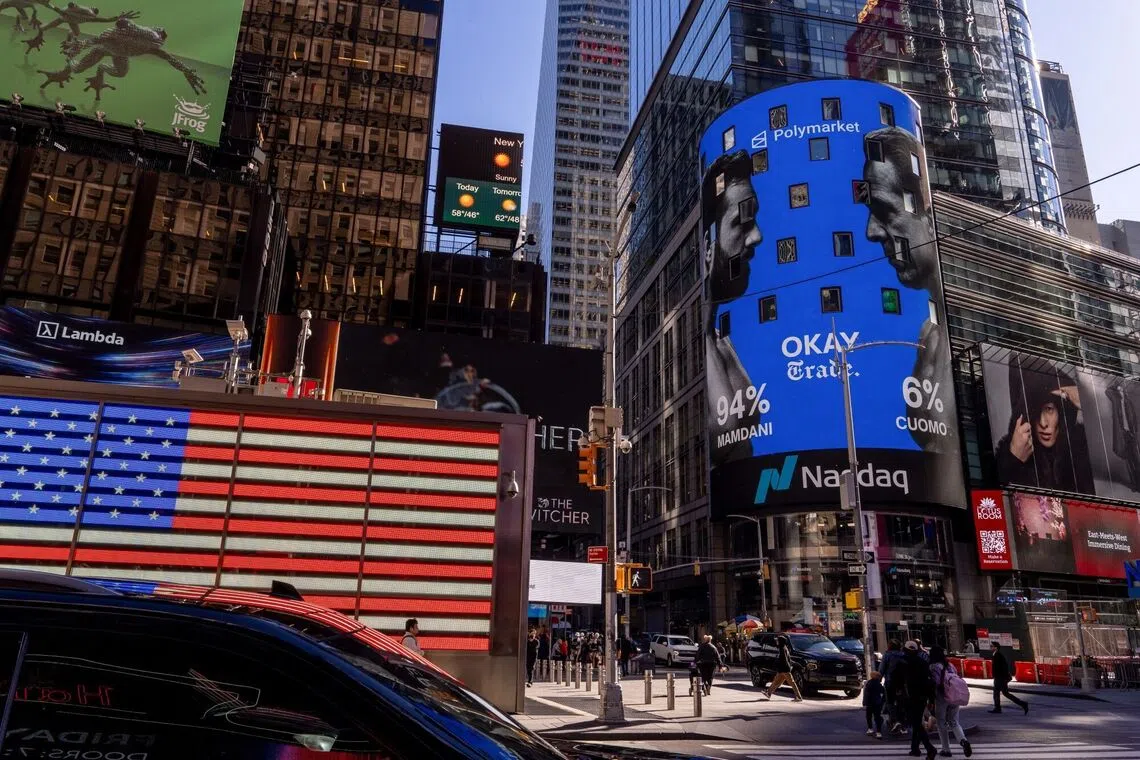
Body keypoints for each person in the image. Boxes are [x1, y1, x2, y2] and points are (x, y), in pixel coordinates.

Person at [862, 126, 958, 457]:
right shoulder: (929, 336)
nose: (871, 232)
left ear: (929, 218)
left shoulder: (971, 327)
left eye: (886, 211)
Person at [701, 150, 763, 466]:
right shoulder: (701, 341)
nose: (757, 237)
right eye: (743, 223)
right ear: (708, 249)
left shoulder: (719, 337)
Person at [996, 354, 1093, 495]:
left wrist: (1083, 401)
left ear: (1061, 411)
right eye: (1035, 411)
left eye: (1049, 409)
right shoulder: (1010, 453)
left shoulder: (1080, 447)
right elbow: (991, 504)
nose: (1042, 423)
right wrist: (1013, 460)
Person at [930, 646, 972, 758]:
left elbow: (936, 683)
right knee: (954, 721)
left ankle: (946, 749)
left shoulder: (933, 667)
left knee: (941, 722)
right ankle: (963, 741)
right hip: (954, 696)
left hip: (941, 697)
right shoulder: (950, 665)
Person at [900, 640, 938, 759]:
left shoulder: (902, 662)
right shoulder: (923, 662)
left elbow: (898, 682)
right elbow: (929, 682)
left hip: (909, 697)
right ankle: (915, 748)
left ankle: (929, 748)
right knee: (916, 722)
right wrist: (931, 699)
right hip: (922, 697)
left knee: (916, 723)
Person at [990, 641, 1029, 715]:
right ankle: (997, 708)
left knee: (1003, 693)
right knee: (998, 693)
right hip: (998, 678)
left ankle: (1023, 704)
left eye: (992, 646)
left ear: (996, 647)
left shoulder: (999, 655)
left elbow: (1004, 667)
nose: (990, 647)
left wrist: (1003, 678)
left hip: (1000, 678)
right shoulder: (995, 655)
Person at [764, 635, 803, 701]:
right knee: (776, 681)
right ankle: (768, 693)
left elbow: (784, 660)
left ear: (780, 641)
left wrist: (780, 667)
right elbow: (788, 659)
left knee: (792, 683)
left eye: (777, 640)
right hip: (783, 669)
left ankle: (799, 697)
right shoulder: (784, 648)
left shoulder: (782, 649)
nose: (776, 641)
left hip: (784, 669)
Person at [880, 639, 907, 734]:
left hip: (890, 681)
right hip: (902, 683)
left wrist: (878, 681)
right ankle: (902, 723)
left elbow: (881, 669)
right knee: (901, 703)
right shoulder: (904, 655)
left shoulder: (887, 655)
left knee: (890, 702)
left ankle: (894, 720)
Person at [863, 670, 886, 739]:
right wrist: (882, 702)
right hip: (877, 703)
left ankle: (870, 729)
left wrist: (864, 702)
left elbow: (866, 694)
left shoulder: (868, 683)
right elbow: (883, 693)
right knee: (877, 717)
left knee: (869, 716)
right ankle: (879, 732)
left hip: (869, 703)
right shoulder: (879, 685)